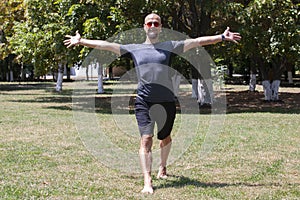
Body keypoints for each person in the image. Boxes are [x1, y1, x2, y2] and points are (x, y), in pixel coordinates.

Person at [64, 13, 241, 194]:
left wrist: (221, 37)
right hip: (144, 102)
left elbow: (197, 42)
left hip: (167, 101)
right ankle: (147, 180)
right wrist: (82, 41)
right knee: (146, 139)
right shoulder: (134, 49)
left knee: (165, 138)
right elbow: (107, 45)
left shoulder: (170, 47)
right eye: (150, 23)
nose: (153, 25)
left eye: (156, 23)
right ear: (145, 27)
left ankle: (162, 167)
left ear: (160, 27)